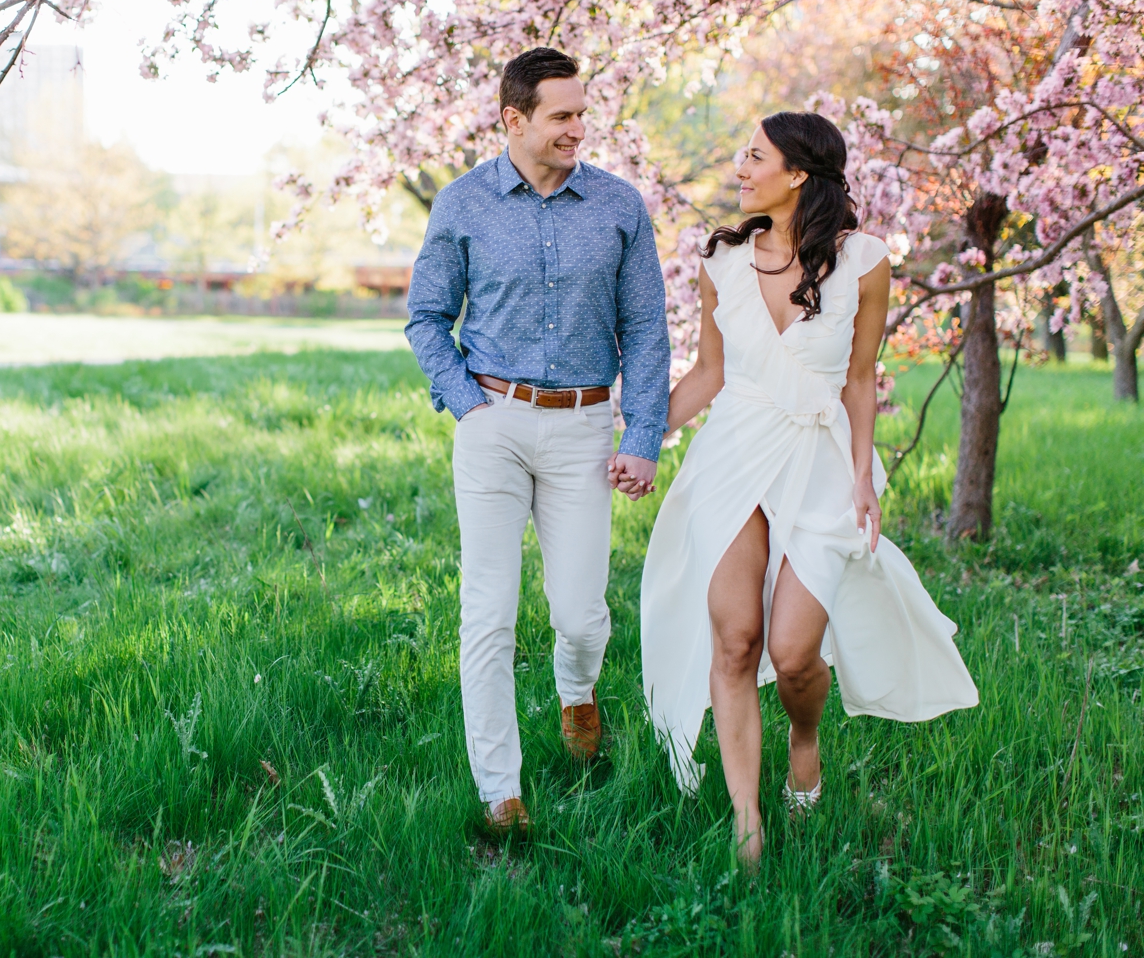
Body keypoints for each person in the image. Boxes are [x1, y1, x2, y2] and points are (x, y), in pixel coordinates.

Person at [636, 112, 979, 866]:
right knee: (735, 640)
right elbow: (708, 373)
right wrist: (638, 439)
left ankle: (805, 738)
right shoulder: (722, 261)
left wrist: (863, 471)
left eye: (753, 154)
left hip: (821, 461)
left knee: (793, 652)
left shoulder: (864, 259)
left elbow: (860, 377)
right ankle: (747, 821)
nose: (737, 165)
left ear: (796, 174)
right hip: (731, 454)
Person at [405, 47, 672, 835]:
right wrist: (465, 405)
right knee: (487, 613)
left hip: (586, 427)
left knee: (582, 614)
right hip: (491, 420)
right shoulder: (462, 205)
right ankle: (501, 793)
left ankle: (577, 695)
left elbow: (647, 329)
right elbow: (426, 317)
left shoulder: (619, 207)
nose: (578, 129)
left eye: (582, 113)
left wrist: (644, 433)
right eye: (562, 115)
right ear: (513, 119)